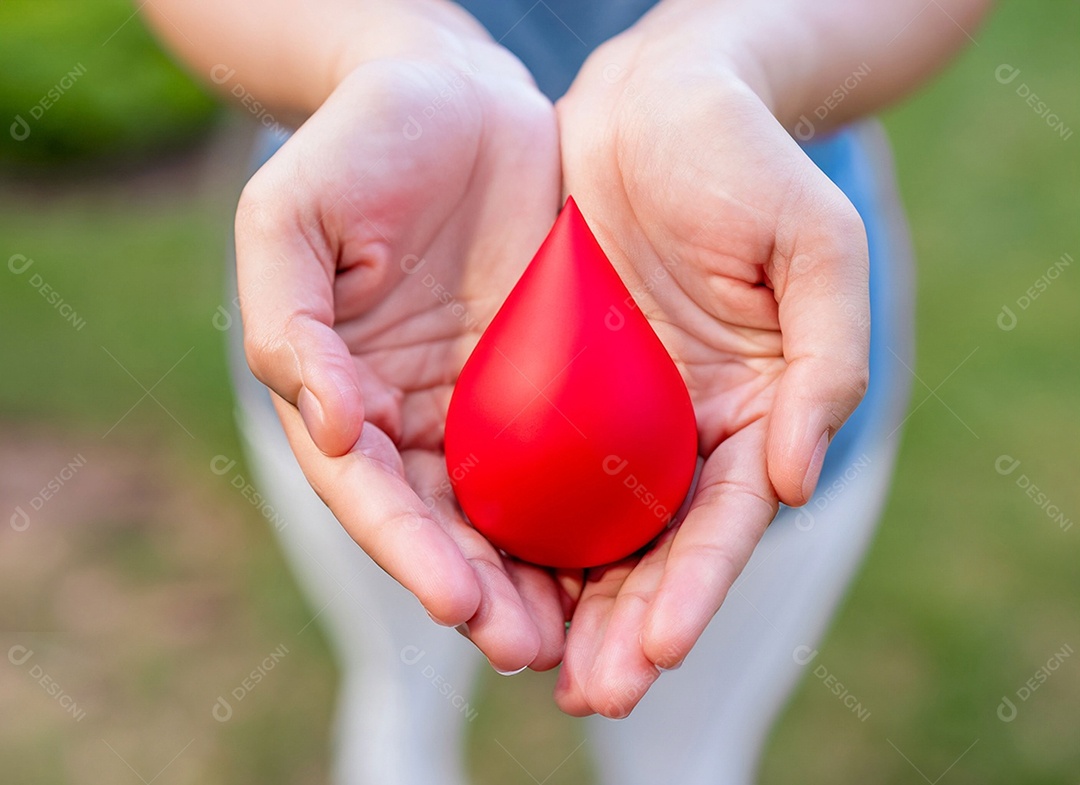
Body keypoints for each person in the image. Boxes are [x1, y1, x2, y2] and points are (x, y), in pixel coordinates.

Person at [143, 1, 990, 782]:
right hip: (371, 302)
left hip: (750, 319)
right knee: (398, 693)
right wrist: (380, 55)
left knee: (683, 759)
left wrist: (727, 60)